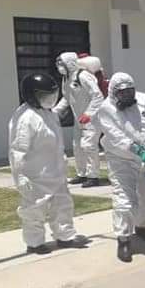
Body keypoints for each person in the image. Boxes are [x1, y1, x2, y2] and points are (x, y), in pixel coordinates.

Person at [8, 74, 78, 254]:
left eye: (52, 95)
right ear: (32, 95)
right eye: (45, 96)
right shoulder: (25, 118)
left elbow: (56, 133)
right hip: (35, 175)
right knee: (34, 210)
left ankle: (64, 236)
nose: (51, 100)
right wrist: (19, 176)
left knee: (63, 206)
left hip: (56, 172)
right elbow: (18, 150)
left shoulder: (49, 113)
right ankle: (35, 242)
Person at [94, 72, 145, 262]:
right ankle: (123, 239)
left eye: (129, 92)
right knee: (125, 201)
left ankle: (142, 226)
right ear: (113, 93)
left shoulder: (144, 101)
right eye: (122, 93)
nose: (127, 96)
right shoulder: (106, 109)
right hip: (121, 159)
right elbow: (116, 136)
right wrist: (137, 150)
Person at [53, 52, 104, 188]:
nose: (59, 67)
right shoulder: (66, 79)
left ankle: (93, 176)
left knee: (89, 146)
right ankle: (82, 174)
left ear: (69, 63)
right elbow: (67, 98)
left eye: (61, 64)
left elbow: (97, 96)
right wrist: (55, 112)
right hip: (78, 119)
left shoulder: (83, 76)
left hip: (92, 119)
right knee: (77, 147)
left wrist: (89, 113)